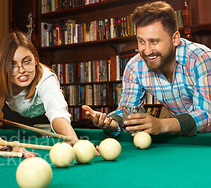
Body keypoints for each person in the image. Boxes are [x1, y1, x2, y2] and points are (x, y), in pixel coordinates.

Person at [83, 1, 211, 137]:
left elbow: (207, 115)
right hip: (182, 136)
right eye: (141, 41)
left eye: (154, 41)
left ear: (175, 39)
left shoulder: (201, 59)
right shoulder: (134, 67)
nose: (147, 51)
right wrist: (110, 123)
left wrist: (162, 125)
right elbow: (126, 112)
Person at [0, 30, 79, 143]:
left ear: (35, 58)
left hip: (44, 129)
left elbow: (58, 114)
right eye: (13, 64)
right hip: (12, 126)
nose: (22, 70)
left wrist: (72, 141)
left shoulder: (46, 80)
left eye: (27, 61)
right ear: (4, 67)